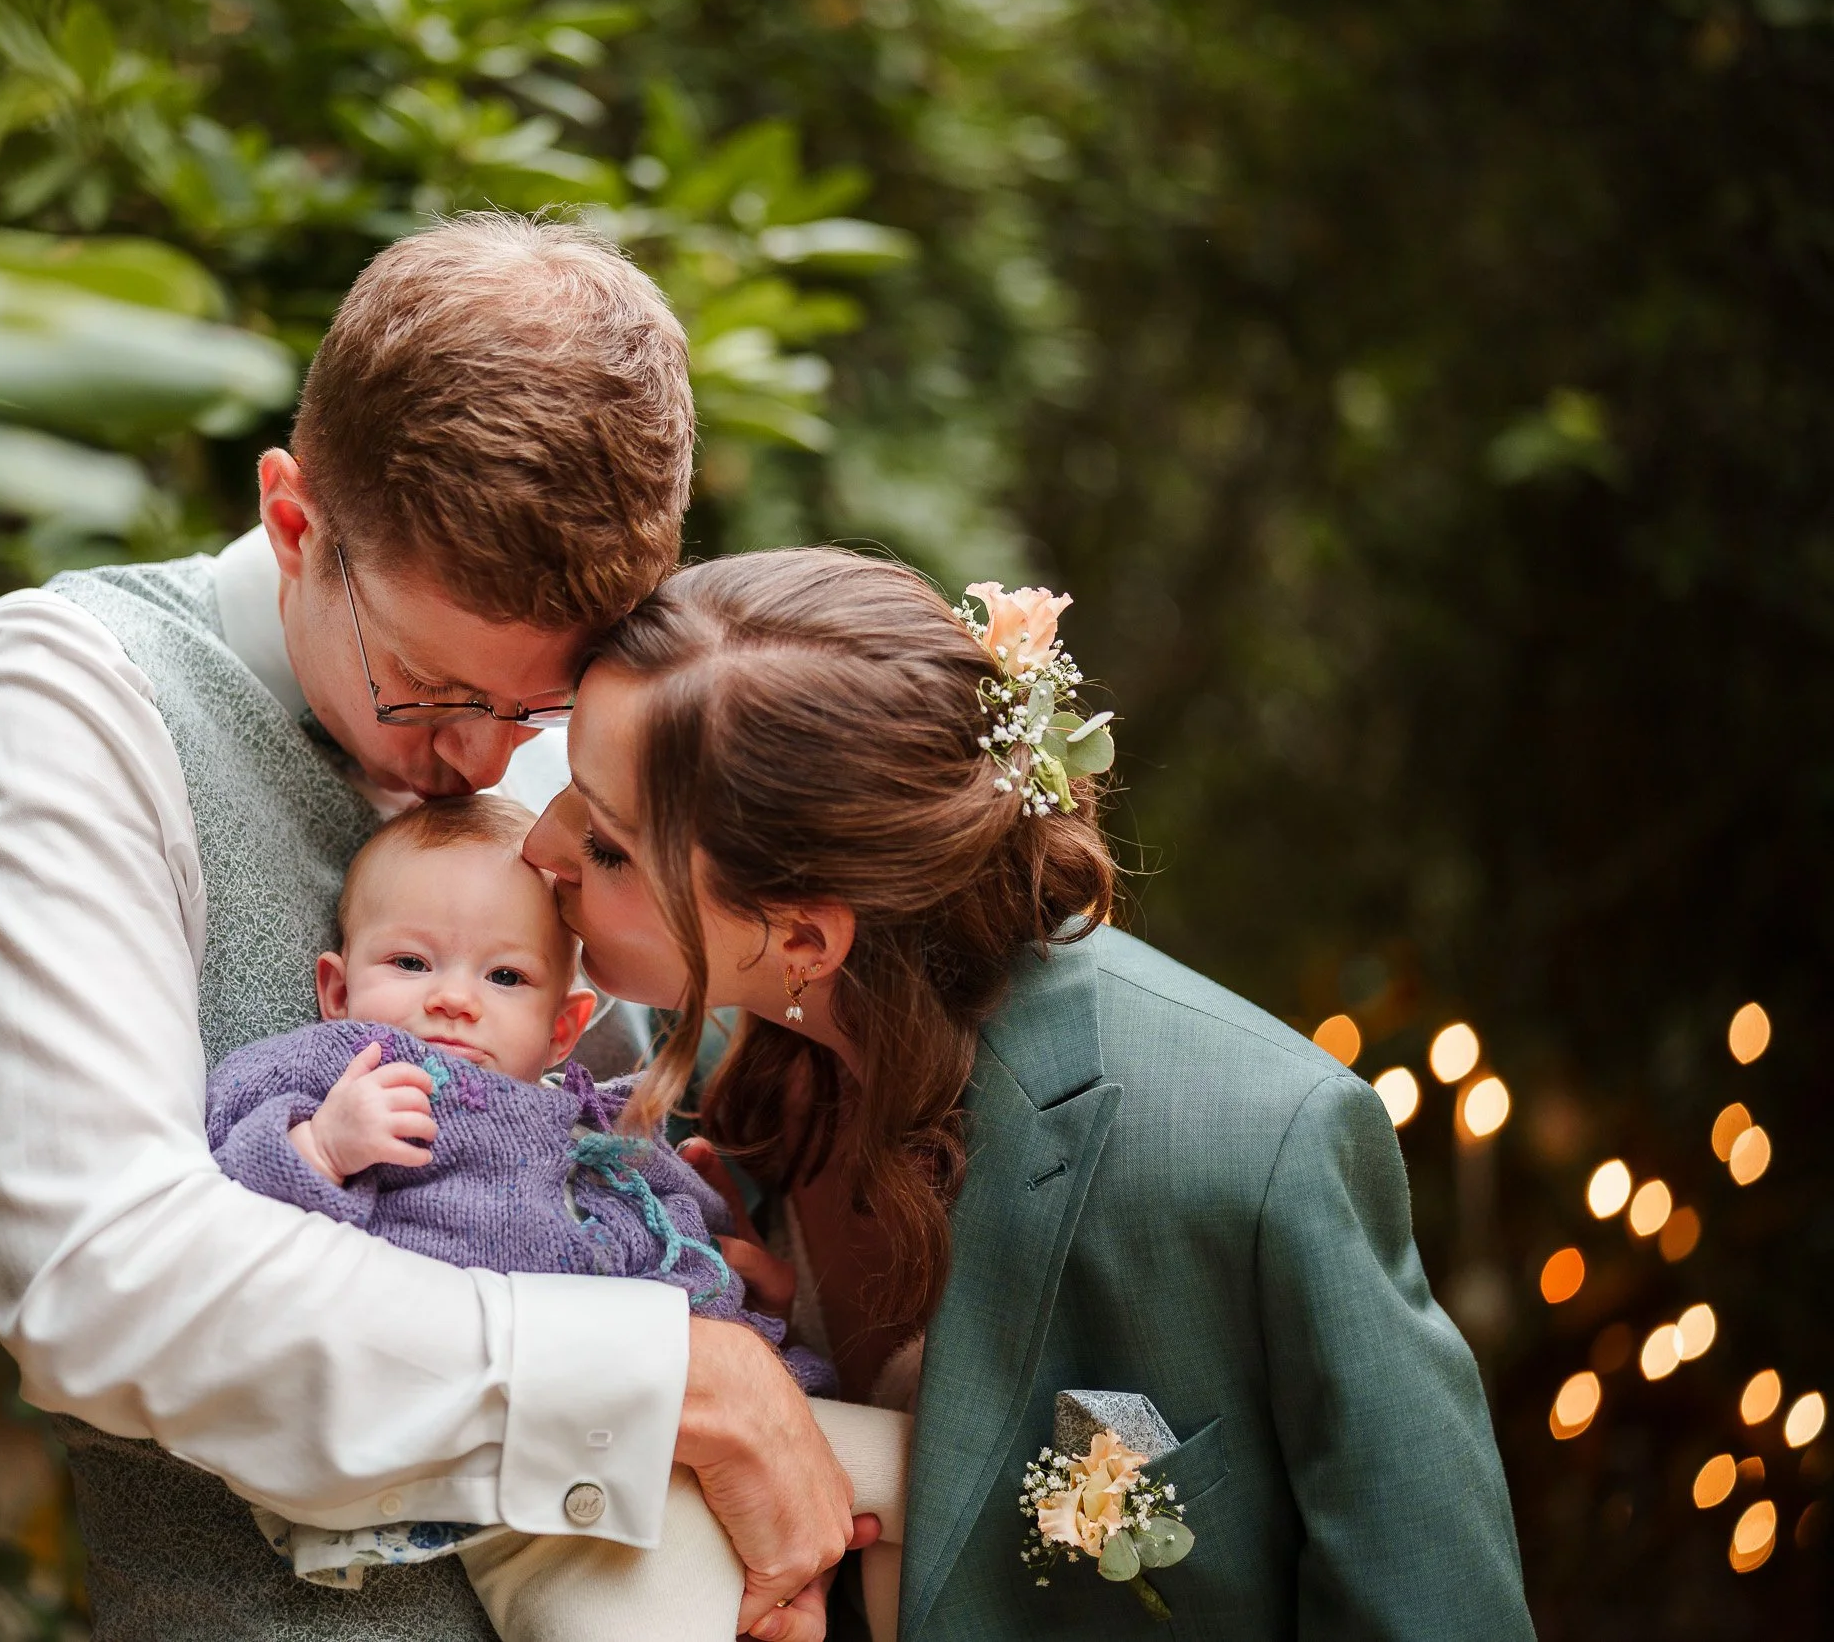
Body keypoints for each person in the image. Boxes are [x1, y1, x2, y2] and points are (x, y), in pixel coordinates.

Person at [0, 217, 859, 1642]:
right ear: (295, 523)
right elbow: (102, 1280)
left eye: (533, 708)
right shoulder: (60, 705)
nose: (485, 760)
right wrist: (672, 1379)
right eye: (422, 686)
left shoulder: (570, 741)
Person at [523, 546, 1537, 1639]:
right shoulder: (673, 1090)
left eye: (610, 842)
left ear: (803, 934)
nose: (542, 846)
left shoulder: (1253, 1146)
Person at [202, 794, 910, 1639]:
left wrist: (749, 1298)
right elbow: (218, 1203)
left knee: (931, 1472)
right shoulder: (342, 1071)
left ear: (565, 1025)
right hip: (530, 1499)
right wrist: (322, 1147)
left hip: (713, 1420)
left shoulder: (595, 1123)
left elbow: (681, 1228)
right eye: (410, 961)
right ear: (336, 986)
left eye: (505, 976)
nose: (455, 999)